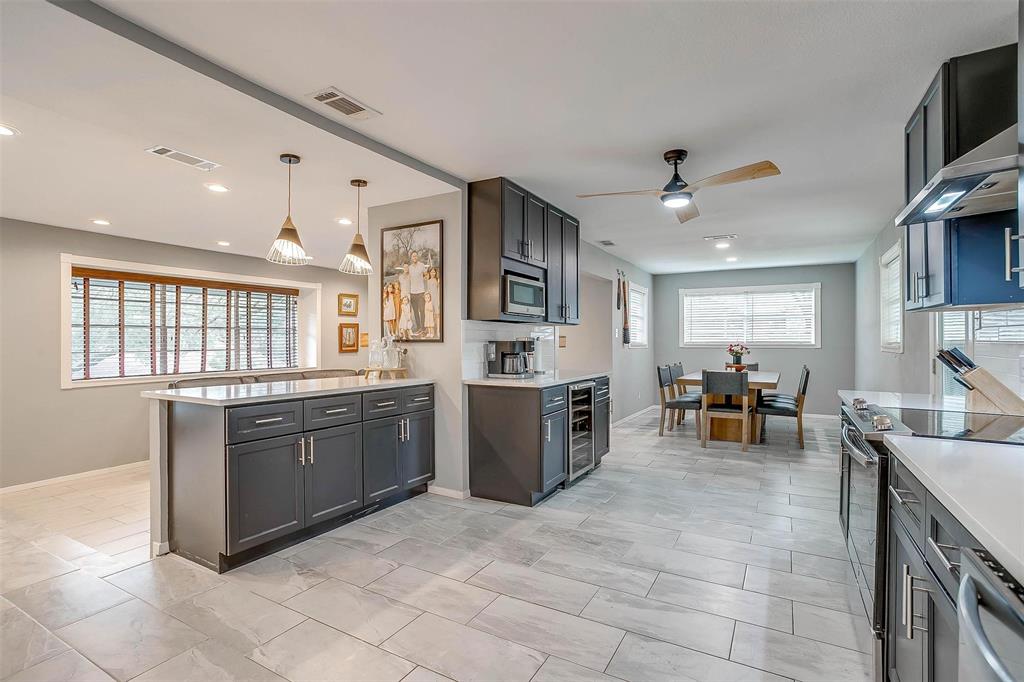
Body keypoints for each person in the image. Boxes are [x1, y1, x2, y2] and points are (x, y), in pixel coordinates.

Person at [407, 251, 427, 333]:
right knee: (415, 312)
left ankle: (423, 327)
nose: (414, 257)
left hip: (421, 292)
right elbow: (408, 280)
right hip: (412, 292)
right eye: (413, 256)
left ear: (417, 257)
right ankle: (418, 327)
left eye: (415, 256)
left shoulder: (422, 265)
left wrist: (426, 290)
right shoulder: (410, 267)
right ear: (411, 258)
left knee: (422, 310)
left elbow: (426, 276)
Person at [426, 267, 440, 333]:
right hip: (431, 300)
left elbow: (439, 291)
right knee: (431, 315)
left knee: (437, 315)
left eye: (434, 272)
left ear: (435, 273)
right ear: (429, 273)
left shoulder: (437, 280)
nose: (433, 273)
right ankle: (432, 330)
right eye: (431, 272)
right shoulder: (428, 281)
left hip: (436, 299)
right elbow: (428, 291)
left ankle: (438, 330)